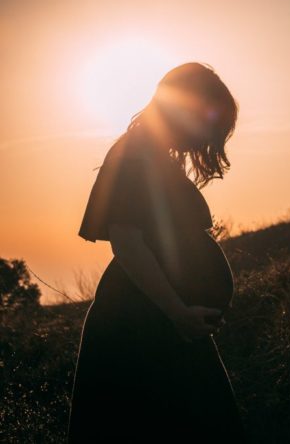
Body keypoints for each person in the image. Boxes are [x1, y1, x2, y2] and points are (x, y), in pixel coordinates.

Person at [66, 62, 247, 442]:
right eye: (206, 121)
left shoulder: (154, 156)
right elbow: (128, 242)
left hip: (163, 321)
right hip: (141, 322)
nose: (207, 135)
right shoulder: (134, 155)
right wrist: (177, 312)